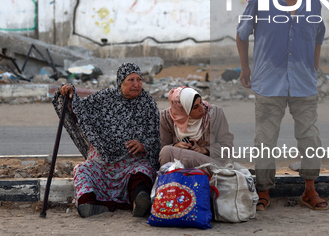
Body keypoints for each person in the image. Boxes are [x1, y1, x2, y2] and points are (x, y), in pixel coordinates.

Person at [236, 0, 328, 211]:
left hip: (303, 83)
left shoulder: (315, 4)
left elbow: (318, 36)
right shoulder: (260, 1)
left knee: (310, 137)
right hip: (268, 83)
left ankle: (310, 190)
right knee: (265, 140)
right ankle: (264, 191)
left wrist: (314, 67)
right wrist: (245, 68)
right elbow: (241, 34)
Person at [53, 62, 160, 218]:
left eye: (139, 80)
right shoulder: (103, 98)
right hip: (102, 161)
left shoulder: (148, 104)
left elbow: (157, 136)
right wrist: (68, 94)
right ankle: (87, 203)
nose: (136, 84)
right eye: (131, 80)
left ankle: (139, 203)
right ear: (120, 81)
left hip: (132, 162)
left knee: (144, 172)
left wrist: (144, 146)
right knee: (82, 170)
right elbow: (80, 112)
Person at [159, 86, 234, 168]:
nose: (202, 109)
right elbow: (161, 149)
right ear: (183, 110)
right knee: (166, 151)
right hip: (179, 164)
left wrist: (204, 149)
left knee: (167, 151)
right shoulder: (167, 118)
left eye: (201, 102)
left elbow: (228, 149)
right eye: (195, 107)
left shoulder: (214, 113)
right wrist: (176, 146)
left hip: (210, 164)